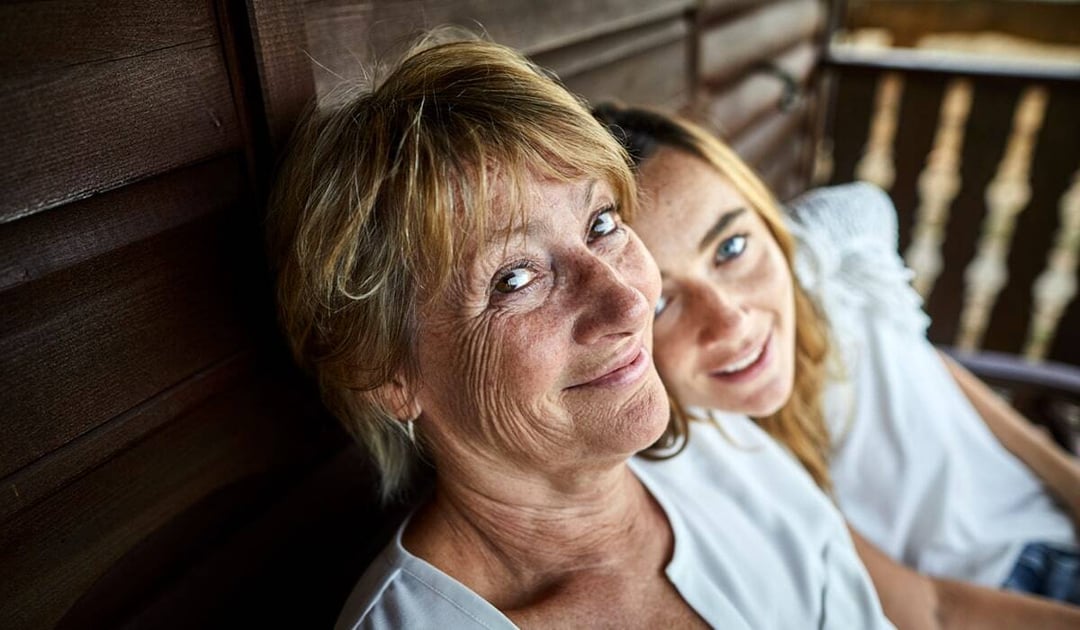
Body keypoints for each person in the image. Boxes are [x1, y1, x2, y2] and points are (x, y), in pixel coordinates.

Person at [266, 33, 897, 629]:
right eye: (514, 279)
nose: (628, 302)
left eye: (601, 224)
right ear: (386, 376)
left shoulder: (724, 450)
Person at [593, 103, 1080, 619]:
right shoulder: (716, 459)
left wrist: (1070, 480)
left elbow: (928, 364)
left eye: (731, 247)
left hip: (1050, 517)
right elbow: (931, 610)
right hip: (995, 602)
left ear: (768, 222)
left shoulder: (844, 272)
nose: (730, 321)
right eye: (660, 303)